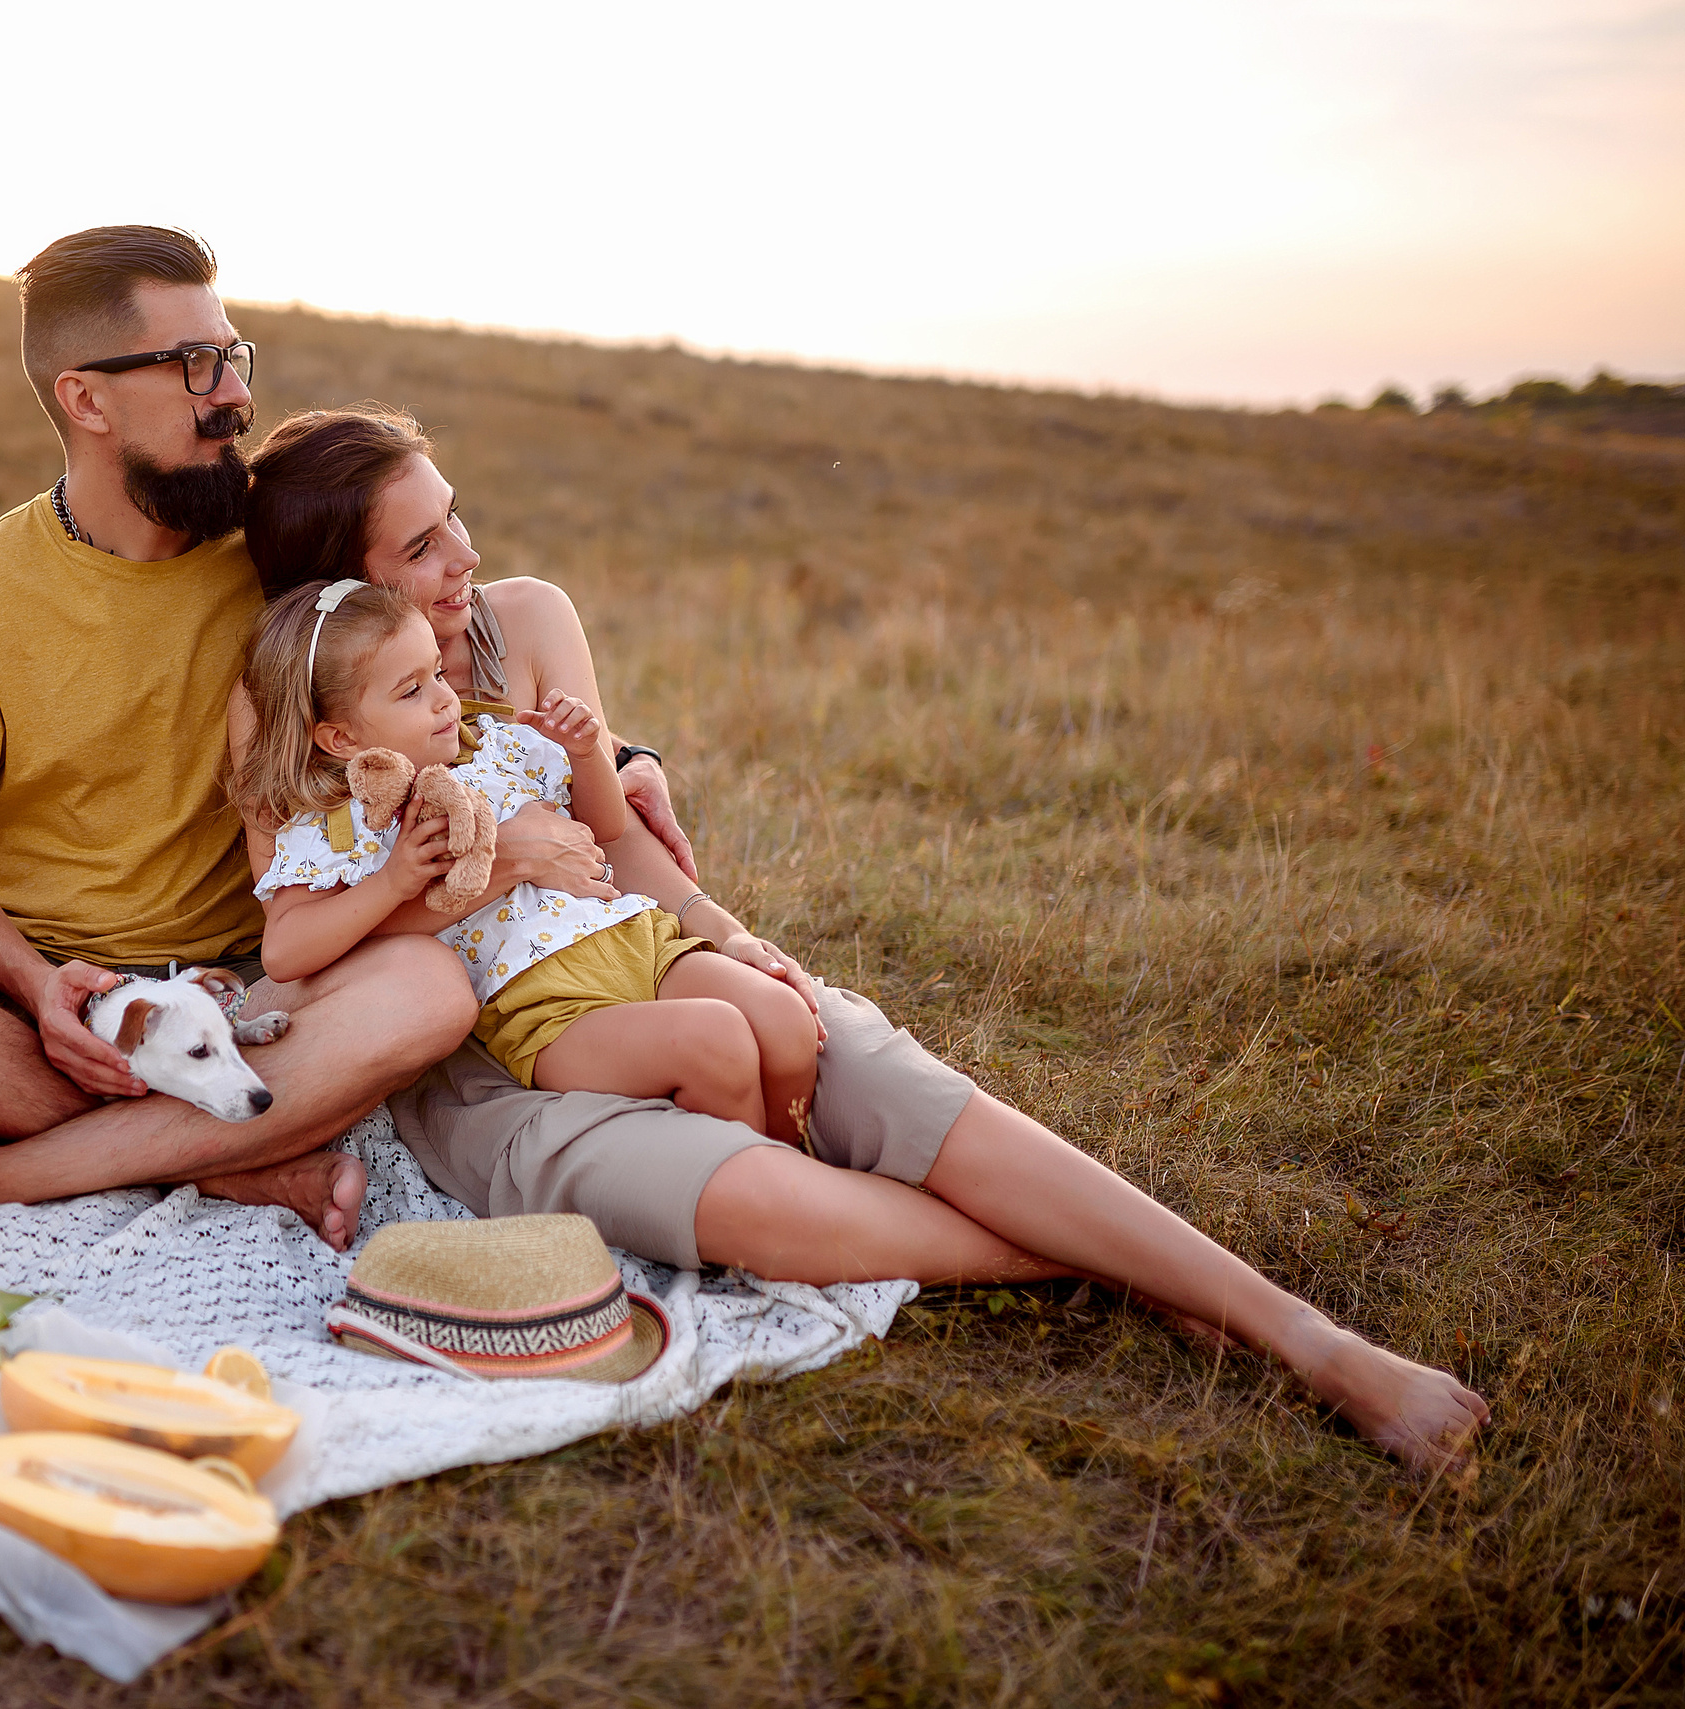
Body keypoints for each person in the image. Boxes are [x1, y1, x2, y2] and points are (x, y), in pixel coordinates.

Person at [236, 406, 1491, 1473]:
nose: (463, 554)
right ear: (337, 592)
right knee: (758, 1190)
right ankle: (1139, 1277)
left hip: (628, 952)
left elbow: (618, 844)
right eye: (420, 545)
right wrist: (492, 855)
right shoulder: (289, 710)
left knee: (876, 1071)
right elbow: (326, 948)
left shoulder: (527, 620)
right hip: (494, 1054)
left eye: (454, 516)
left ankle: (1313, 1340)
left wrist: (731, 934)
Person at [0, 228, 483, 1251]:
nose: (231, 393)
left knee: (424, 993)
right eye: (193, 365)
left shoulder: (274, 559)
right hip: (48, 1000)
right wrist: (34, 985)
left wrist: (621, 764)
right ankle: (235, 1161)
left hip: (251, 988)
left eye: (233, 355)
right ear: (87, 400)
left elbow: (434, 635)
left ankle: (9, 1171)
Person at [233, 577, 820, 1143]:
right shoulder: (340, 823)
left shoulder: (495, 745)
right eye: (411, 691)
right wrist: (392, 882)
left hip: (637, 940)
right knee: (719, 1044)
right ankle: (758, 1214)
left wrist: (586, 752)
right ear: (340, 739)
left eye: (437, 672)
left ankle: (794, 1171)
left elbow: (606, 824)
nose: (444, 699)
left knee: (783, 1020)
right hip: (544, 1004)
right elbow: (285, 951)